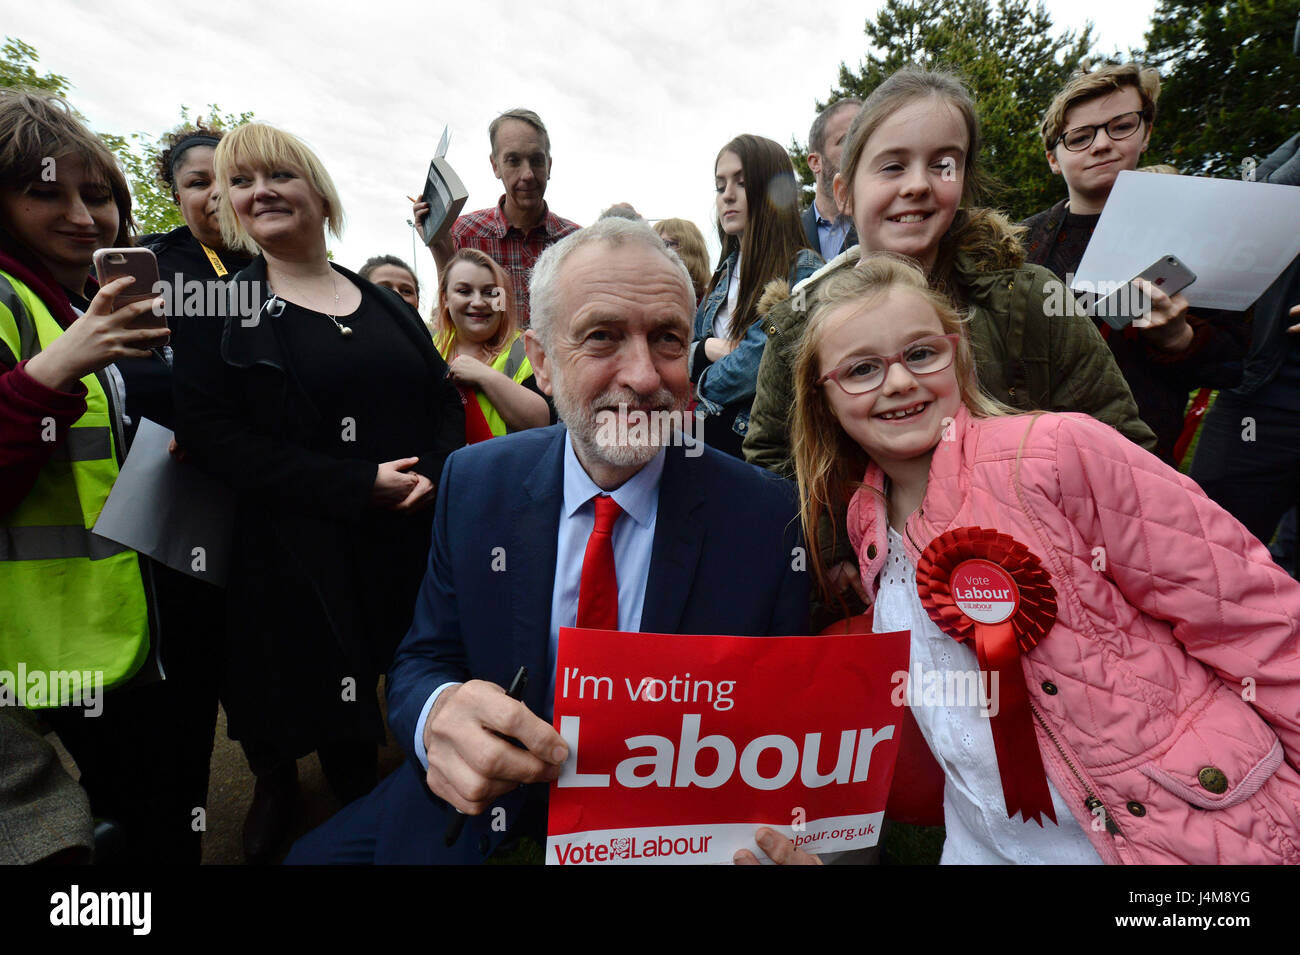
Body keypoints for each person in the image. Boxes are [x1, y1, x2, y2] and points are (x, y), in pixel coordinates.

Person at [286, 218, 810, 864]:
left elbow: (787, 731)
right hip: (476, 811)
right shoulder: (476, 484)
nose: (644, 376)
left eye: (669, 339)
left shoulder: (768, 518)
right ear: (540, 359)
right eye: (602, 336)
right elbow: (424, 657)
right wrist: (436, 715)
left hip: (669, 834)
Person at [788, 254, 1300, 865]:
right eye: (862, 369)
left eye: (921, 353)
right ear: (822, 399)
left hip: (1169, 834)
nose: (899, 382)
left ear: (960, 355)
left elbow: (1252, 616)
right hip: (988, 847)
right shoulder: (866, 519)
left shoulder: (1060, 452)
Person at [742, 68, 1154, 616]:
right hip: (875, 600)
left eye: (943, 163)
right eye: (892, 166)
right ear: (843, 191)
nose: (918, 184)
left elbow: (1122, 448)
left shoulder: (1028, 298)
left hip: (1039, 597)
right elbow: (771, 456)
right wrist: (833, 548)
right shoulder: (798, 325)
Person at [171, 121, 465, 863]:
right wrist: (354, 482)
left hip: (403, 544)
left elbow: (440, 400)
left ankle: (396, 813)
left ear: (319, 192)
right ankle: (300, 797)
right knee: (316, 706)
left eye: (279, 175)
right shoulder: (218, 308)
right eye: (241, 182)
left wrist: (434, 469)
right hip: (292, 555)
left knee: (400, 678)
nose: (259, 190)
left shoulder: (387, 304)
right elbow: (210, 433)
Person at [0, 89, 172, 862]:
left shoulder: (71, 303)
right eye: (45, 192)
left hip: (103, 634)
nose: (81, 215)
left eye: (96, 194)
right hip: (36, 649)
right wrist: (59, 368)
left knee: (144, 817)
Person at [1021, 64, 1248, 464]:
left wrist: (1181, 340)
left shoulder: (1198, 233)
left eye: (1120, 126)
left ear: (1145, 135)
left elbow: (1235, 364)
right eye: (1080, 136)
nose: (1102, 144)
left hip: (1143, 461)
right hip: (1032, 455)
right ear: (1053, 158)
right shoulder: (1018, 243)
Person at [691, 134, 822, 459]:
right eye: (720, 186)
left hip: (759, 451)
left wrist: (698, 381)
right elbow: (684, 350)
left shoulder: (803, 271)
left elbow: (758, 366)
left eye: (742, 182)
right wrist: (708, 348)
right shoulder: (722, 274)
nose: (727, 196)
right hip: (702, 440)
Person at [415, 108, 579, 325]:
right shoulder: (463, 235)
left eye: (537, 161)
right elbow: (449, 317)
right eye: (513, 160)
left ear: (549, 165)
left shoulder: (576, 243)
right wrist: (438, 245)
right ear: (495, 166)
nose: (528, 174)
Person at [432, 247, 550, 441]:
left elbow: (542, 421)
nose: (478, 302)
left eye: (490, 293)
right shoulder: (429, 348)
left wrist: (484, 376)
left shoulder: (525, 349)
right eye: (464, 291)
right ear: (445, 299)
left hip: (509, 468)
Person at [802, 98, 862, 260]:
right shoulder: (785, 234)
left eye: (865, 137)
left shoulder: (887, 226)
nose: (860, 147)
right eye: (847, 139)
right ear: (816, 162)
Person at [653, 217, 710, 305]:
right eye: (653, 244)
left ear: (690, 250)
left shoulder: (711, 303)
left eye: (665, 244)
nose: (656, 250)